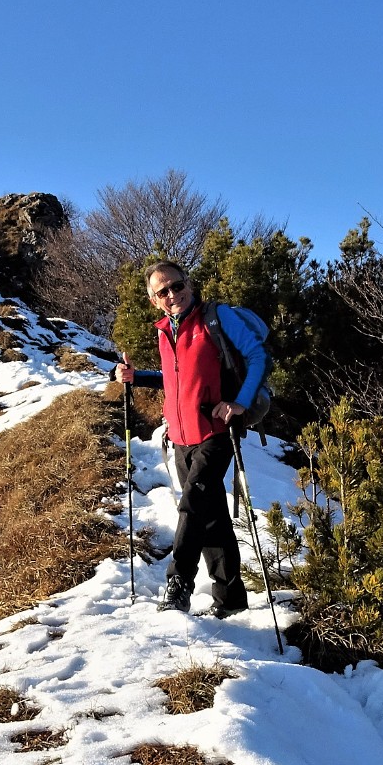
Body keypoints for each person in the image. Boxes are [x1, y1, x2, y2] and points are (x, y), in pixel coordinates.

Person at [115, 260, 269, 618]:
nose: (173, 294)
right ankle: (231, 601)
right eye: (163, 291)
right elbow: (176, 382)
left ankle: (178, 583)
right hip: (181, 436)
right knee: (211, 516)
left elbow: (258, 356)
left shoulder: (216, 318)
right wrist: (136, 377)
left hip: (217, 431)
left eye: (177, 285)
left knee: (192, 505)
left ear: (188, 283)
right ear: (154, 300)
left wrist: (240, 402)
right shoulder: (164, 330)